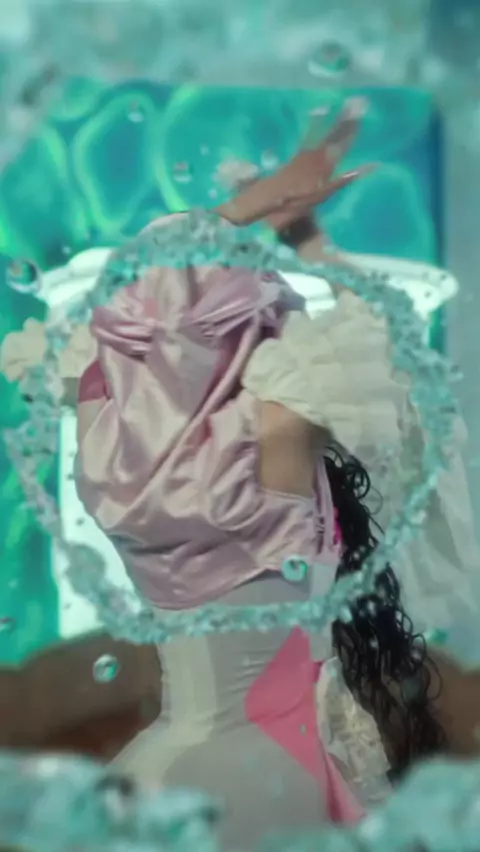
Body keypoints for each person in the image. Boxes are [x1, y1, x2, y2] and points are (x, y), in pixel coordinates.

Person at [1, 103, 477, 841]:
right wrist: (304, 237)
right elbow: (391, 339)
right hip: (274, 767)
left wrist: (240, 213)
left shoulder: (108, 447)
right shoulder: (275, 430)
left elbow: (142, 300)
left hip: (173, 763)